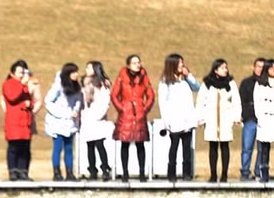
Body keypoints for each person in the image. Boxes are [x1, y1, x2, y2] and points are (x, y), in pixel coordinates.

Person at [110, 54, 155, 182]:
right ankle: (125, 173)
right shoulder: (122, 77)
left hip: (140, 115)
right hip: (126, 115)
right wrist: (122, 108)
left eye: (139, 62)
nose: (138, 65)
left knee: (140, 144)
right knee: (124, 144)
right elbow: (114, 95)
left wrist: (144, 109)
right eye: (134, 63)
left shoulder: (144, 77)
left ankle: (142, 173)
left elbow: (151, 95)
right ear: (128, 65)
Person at [196, 59, 240, 183]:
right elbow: (200, 101)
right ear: (215, 70)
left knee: (225, 145)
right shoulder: (207, 83)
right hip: (211, 118)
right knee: (213, 146)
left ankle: (224, 175)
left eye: (226, 68)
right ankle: (213, 175)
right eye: (222, 68)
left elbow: (236, 100)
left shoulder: (230, 83)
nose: (225, 70)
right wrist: (200, 118)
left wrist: (236, 116)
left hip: (225, 118)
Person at [157, 53, 200, 182]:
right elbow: (162, 102)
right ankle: (172, 174)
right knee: (174, 147)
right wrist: (165, 120)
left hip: (187, 119)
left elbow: (197, 87)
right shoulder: (166, 82)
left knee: (187, 148)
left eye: (182, 62)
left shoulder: (185, 80)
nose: (182, 65)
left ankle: (187, 174)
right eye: (180, 62)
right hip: (174, 120)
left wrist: (189, 75)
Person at [44, 63, 83, 181]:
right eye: (74, 72)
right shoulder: (58, 86)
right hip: (57, 123)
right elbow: (48, 102)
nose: (77, 74)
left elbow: (78, 100)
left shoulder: (77, 87)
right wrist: (64, 114)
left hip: (70, 123)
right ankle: (56, 172)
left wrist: (75, 110)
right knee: (57, 148)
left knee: (69, 148)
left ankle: (69, 173)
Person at [1, 60, 36, 181]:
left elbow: (30, 101)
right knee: (14, 147)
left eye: (23, 72)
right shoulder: (8, 84)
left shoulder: (25, 86)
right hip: (14, 121)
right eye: (20, 72)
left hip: (25, 122)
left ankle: (23, 171)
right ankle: (13, 171)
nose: (22, 75)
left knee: (25, 148)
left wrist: (29, 104)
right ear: (12, 73)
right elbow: (12, 97)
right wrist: (22, 85)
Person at [80, 61, 114, 182]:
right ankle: (92, 171)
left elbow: (106, 102)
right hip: (87, 117)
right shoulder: (84, 83)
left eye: (89, 67)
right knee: (90, 145)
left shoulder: (102, 84)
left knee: (99, 144)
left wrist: (98, 115)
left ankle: (105, 169)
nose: (86, 69)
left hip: (98, 118)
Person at [237, 57, 265, 180]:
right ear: (254, 67)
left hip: (264, 120)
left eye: (263, 67)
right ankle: (245, 171)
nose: (260, 69)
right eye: (258, 66)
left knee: (262, 148)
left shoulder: (267, 84)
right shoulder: (246, 83)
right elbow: (240, 101)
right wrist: (244, 115)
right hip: (250, 119)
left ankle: (258, 171)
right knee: (247, 148)